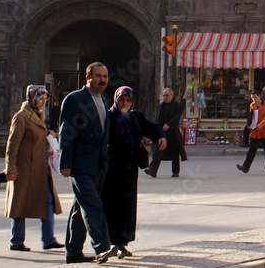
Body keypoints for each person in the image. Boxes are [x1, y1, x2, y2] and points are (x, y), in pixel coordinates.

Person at [59, 62, 114, 264]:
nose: (102, 80)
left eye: (105, 76)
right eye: (98, 76)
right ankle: (102, 247)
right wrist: (65, 162)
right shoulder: (75, 99)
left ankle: (73, 251)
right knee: (93, 206)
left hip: (98, 164)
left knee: (78, 209)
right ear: (87, 78)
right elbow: (66, 132)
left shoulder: (103, 99)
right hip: (79, 164)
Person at [101, 86, 166, 258]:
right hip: (112, 170)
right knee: (112, 206)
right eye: (121, 99)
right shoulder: (108, 116)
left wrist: (161, 136)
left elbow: (152, 128)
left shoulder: (135, 117)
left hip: (130, 170)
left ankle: (122, 244)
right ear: (115, 99)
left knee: (127, 207)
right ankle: (111, 243)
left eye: (128, 100)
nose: (124, 103)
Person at [5, 85, 64, 252]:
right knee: (19, 205)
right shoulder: (22, 117)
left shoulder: (39, 115)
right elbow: (12, 144)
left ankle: (48, 239)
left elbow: (36, 138)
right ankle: (16, 241)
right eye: (40, 99)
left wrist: (48, 136)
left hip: (39, 169)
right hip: (24, 168)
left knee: (48, 202)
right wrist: (11, 168)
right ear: (32, 98)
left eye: (45, 100)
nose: (42, 103)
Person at [145, 87, 183, 178]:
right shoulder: (161, 106)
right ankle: (153, 170)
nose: (165, 97)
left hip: (173, 133)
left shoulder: (178, 106)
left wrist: (169, 124)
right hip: (162, 133)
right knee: (158, 150)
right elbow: (157, 119)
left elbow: (176, 118)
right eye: (164, 95)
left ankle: (175, 172)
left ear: (172, 95)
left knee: (174, 153)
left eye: (167, 95)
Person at [236, 90, 265, 173]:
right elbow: (250, 116)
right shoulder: (252, 105)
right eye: (252, 98)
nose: (254, 99)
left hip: (264, 130)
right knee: (252, 149)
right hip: (255, 130)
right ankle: (245, 167)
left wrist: (262, 124)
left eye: (255, 97)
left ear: (259, 96)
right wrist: (248, 125)